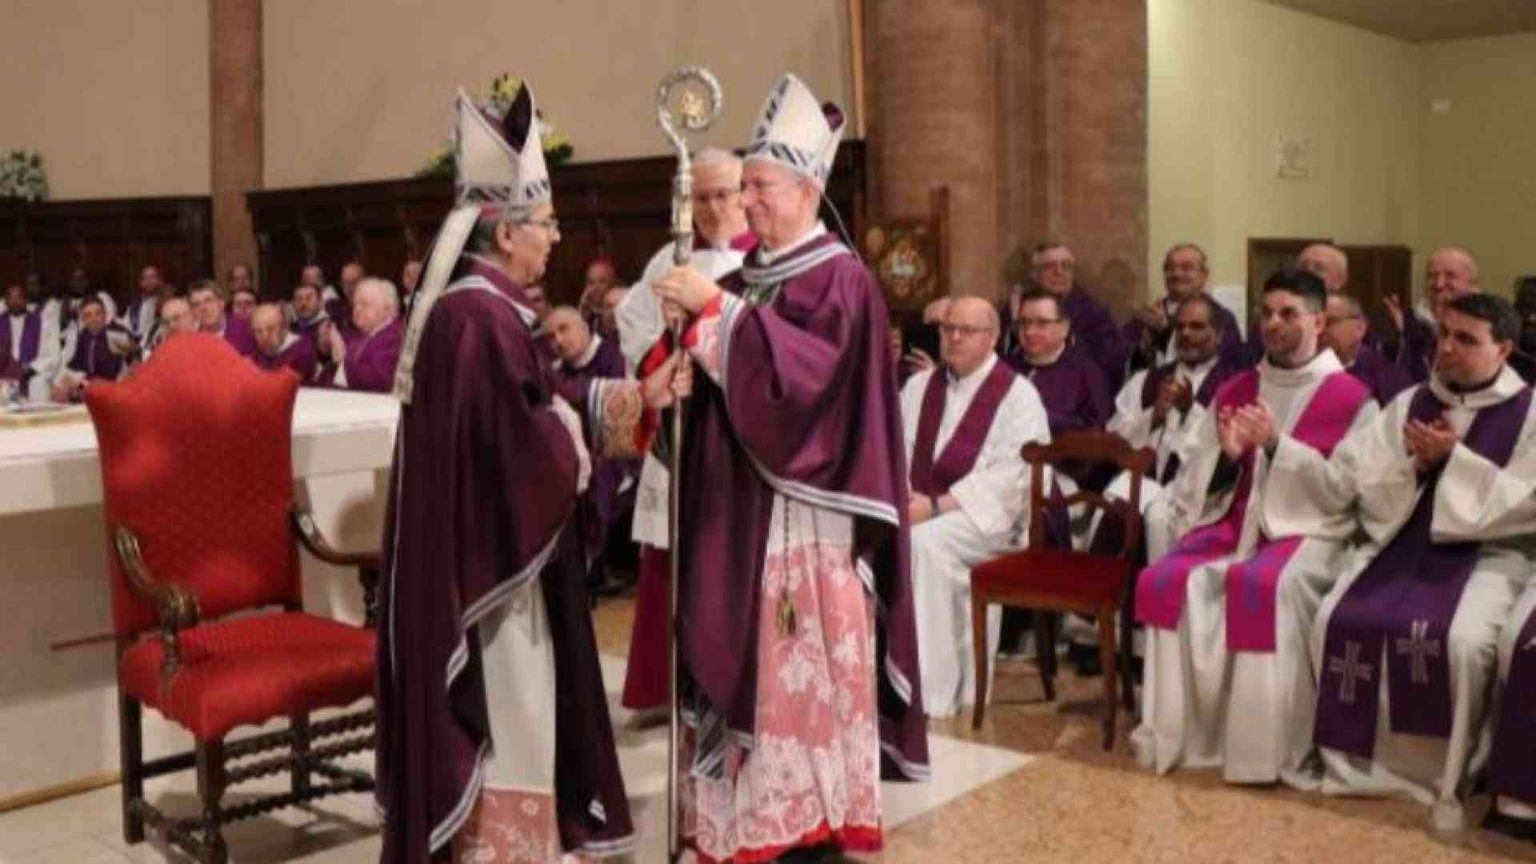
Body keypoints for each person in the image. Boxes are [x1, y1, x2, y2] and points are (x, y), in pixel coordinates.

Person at [377, 81, 673, 862]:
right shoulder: (477, 317)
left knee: (533, 711)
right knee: (513, 712)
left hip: (495, 552)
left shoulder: (488, 311)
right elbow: (518, 445)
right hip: (491, 577)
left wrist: (629, 401)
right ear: (505, 233)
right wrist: (576, 426)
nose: (555, 234)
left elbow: (538, 405)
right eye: (543, 222)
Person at [651, 72, 928, 862]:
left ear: (807, 188)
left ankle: (804, 828)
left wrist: (716, 316)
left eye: (760, 186)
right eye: (743, 186)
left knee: (790, 683)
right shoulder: (739, 280)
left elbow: (803, 392)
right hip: (729, 519)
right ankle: (735, 824)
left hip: (805, 525)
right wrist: (676, 384)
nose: (747, 202)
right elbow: (719, 385)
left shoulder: (843, 280)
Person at [1272, 294, 1533, 831]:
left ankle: (1450, 776)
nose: (1449, 348)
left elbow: (1525, 501)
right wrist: (1413, 467)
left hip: (1489, 554)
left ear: (1503, 349)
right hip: (1401, 544)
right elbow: (1357, 481)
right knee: (1337, 619)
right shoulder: (1411, 402)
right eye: (1444, 335)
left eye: (1467, 339)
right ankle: (1356, 767)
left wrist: (1454, 462)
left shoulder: (1530, 413)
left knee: (1460, 643)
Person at [1131, 268, 1378, 785]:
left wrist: (1276, 447)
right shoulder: (1236, 388)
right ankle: (1186, 737)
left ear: (1318, 320)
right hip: (1232, 523)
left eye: (1288, 314)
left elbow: (1347, 493)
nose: (1273, 323)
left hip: (1309, 532)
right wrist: (1227, 458)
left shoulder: (1353, 398)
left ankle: (1255, 755)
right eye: (1266, 313)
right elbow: (1197, 478)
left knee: (1261, 584)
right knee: (1164, 579)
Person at [616, 145, 756, 714]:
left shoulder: (768, 254)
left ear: (745, 192)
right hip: (679, 419)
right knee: (670, 554)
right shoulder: (669, 259)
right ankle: (665, 686)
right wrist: (662, 366)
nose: (712, 207)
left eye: (723, 193)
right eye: (699, 197)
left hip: (740, 431)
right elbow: (633, 321)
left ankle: (730, 683)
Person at [903, 296, 1048, 717]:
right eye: (948, 329)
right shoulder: (919, 387)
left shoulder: (1018, 395)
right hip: (921, 508)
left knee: (926, 544)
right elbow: (894, 448)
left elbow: (1013, 477)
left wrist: (934, 506)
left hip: (990, 519)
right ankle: (889, 683)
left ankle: (932, 697)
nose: (955, 338)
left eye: (967, 331)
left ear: (994, 337)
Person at [1104, 292, 1240, 561]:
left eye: (1197, 326)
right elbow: (1113, 436)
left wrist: (1191, 410)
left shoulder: (1235, 384)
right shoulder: (1146, 381)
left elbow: (1229, 450)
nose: (1186, 333)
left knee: (1158, 518)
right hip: (1146, 484)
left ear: (1220, 334)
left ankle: (1161, 595)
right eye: (1179, 326)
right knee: (1105, 517)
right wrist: (1153, 415)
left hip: (1204, 496)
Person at [1003, 287, 1113, 440]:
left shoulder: (1087, 373)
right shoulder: (1003, 368)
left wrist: (1039, 416)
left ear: (1065, 327)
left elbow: (1097, 435)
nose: (1029, 332)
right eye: (1024, 323)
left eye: (1041, 323)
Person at [1123, 244, 1242, 374]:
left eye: (1186, 268)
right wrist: (1143, 349)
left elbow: (1226, 366)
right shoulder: (1145, 318)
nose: (1177, 274)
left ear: (1204, 274)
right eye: (1170, 268)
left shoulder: (1222, 317)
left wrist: (1165, 333)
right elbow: (1122, 363)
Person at [1323, 293, 1409, 405]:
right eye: (1318, 322)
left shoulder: (1386, 377)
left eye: (1330, 322)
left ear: (1360, 328)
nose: (1321, 330)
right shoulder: (1307, 371)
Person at [318, 278, 402, 392]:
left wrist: (341, 361)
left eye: (365, 304)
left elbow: (380, 381)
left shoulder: (395, 336)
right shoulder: (362, 334)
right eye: (355, 304)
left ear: (387, 309)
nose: (357, 309)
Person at [51, 296, 130, 401]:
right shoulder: (84, 335)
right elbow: (75, 364)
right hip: (90, 389)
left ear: (105, 315)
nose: (94, 319)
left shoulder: (117, 333)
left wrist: (80, 383)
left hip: (113, 391)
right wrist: (62, 382)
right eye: (88, 315)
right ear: (83, 320)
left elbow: (111, 374)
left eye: (98, 313)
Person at [1, 282, 60, 401]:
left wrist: (29, 370)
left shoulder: (42, 323)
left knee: (37, 383)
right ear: (5, 301)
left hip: (31, 373)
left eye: (19, 297)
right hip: (3, 374)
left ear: (26, 300)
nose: (15, 301)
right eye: (11, 298)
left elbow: (52, 355)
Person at [188, 279, 257, 357]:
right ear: (192, 312)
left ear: (221, 303)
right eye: (196, 305)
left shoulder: (245, 330)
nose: (203, 308)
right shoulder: (191, 339)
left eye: (208, 301)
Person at [250, 302, 317, 381]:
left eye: (271, 329)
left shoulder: (302, 351)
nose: (265, 335)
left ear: (283, 327)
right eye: (259, 331)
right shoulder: (255, 356)